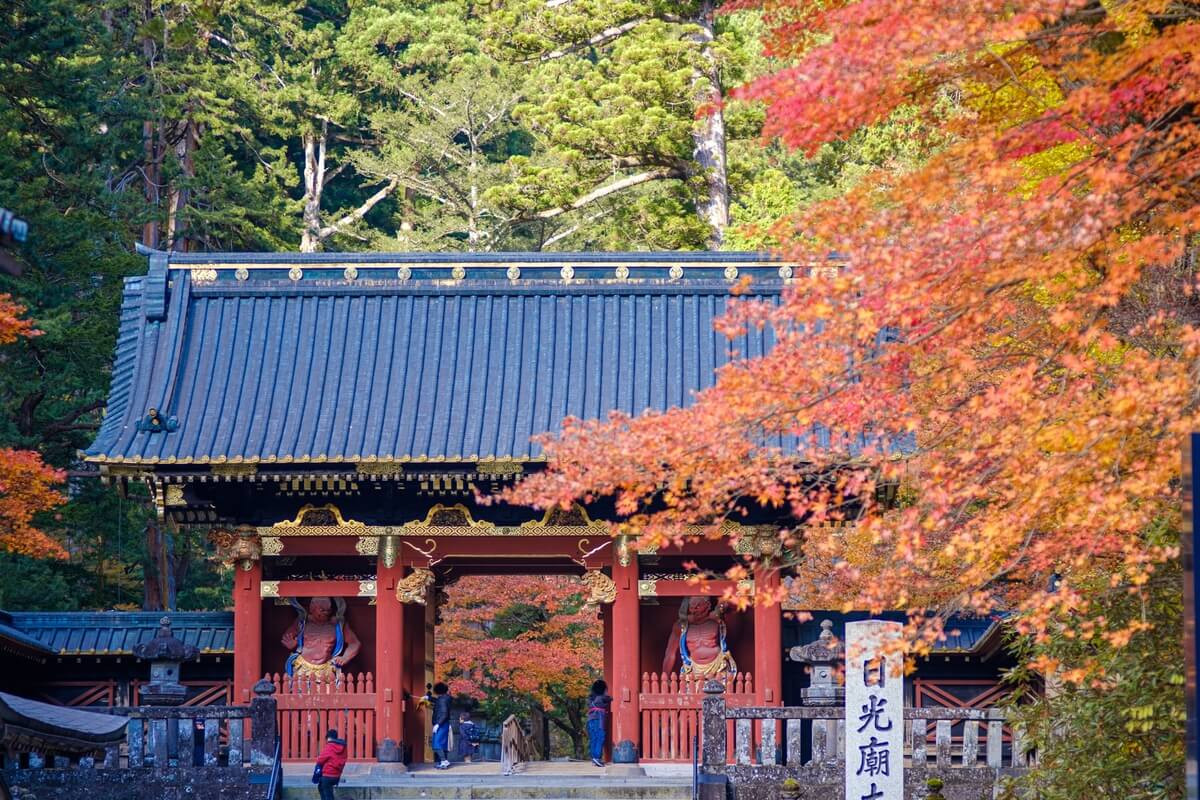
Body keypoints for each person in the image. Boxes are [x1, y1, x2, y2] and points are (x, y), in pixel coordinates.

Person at [424, 682, 452, 769]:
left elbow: (444, 713)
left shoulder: (443, 700)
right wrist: (429, 697)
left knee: (437, 744)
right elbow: (437, 701)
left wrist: (438, 724)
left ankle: (444, 761)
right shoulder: (445, 698)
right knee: (442, 744)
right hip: (444, 724)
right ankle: (442, 762)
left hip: (441, 724)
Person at [315, 728, 347, 800]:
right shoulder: (343, 747)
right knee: (322, 787)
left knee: (327, 794)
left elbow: (320, 760)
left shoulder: (329, 746)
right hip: (337, 776)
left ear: (328, 738)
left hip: (327, 776)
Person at [586, 679, 612, 767]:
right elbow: (610, 698)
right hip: (598, 719)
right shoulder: (603, 698)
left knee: (593, 738)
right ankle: (597, 758)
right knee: (600, 737)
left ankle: (594, 758)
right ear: (603, 689)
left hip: (590, 719)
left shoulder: (590, 698)